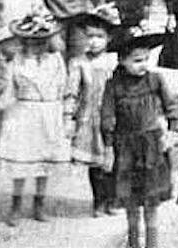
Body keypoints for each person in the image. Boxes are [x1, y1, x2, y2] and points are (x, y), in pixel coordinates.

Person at [102, 26, 178, 248]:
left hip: (151, 144)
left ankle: (152, 243)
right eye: (137, 60)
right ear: (122, 61)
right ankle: (133, 241)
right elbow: (108, 117)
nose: (143, 65)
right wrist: (109, 147)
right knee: (130, 199)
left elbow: (170, 105)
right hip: (126, 146)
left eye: (146, 59)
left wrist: (172, 129)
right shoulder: (113, 86)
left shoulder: (155, 79)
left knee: (151, 200)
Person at [0, 10, 71, 223]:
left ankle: (39, 203)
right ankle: (16, 204)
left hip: (49, 111)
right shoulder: (17, 61)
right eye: (32, 42)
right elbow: (7, 88)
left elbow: (64, 88)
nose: (37, 47)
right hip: (23, 112)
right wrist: (1, 116)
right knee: (21, 160)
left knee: (44, 161)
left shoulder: (56, 61)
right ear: (23, 42)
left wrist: (65, 116)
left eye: (42, 42)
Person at [67, 11, 120, 215]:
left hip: (113, 115)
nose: (94, 42)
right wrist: (69, 117)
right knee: (95, 163)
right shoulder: (79, 62)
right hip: (90, 117)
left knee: (114, 159)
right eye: (90, 36)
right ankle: (98, 200)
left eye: (99, 37)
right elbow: (72, 91)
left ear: (109, 39)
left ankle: (112, 199)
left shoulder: (114, 62)